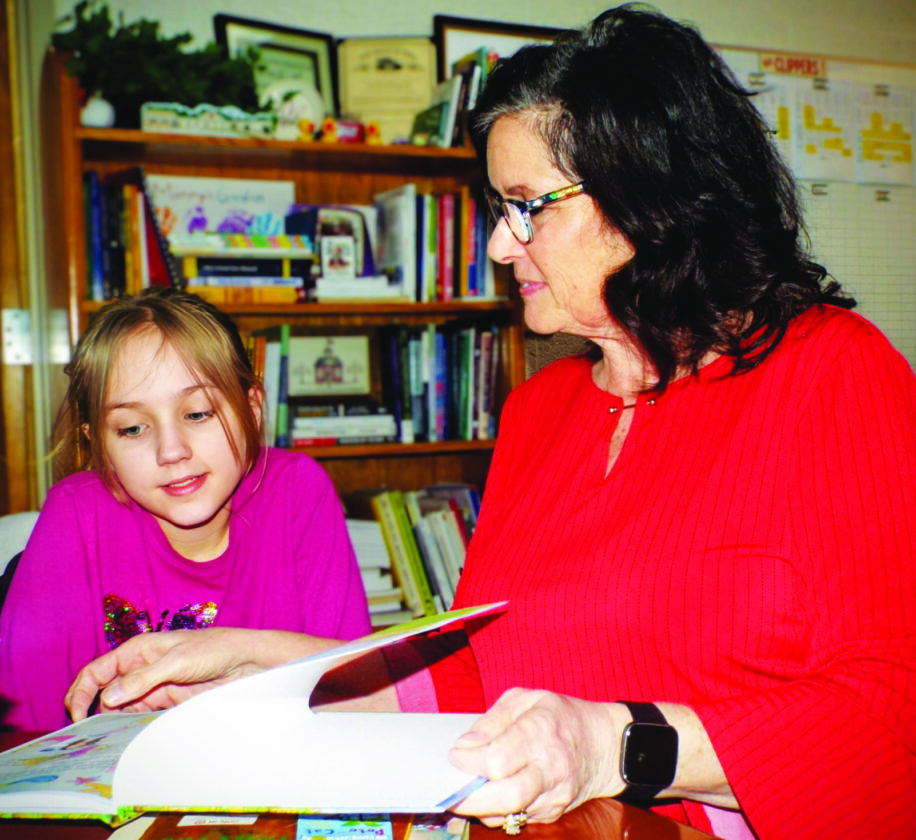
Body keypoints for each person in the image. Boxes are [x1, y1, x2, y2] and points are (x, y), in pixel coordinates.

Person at [65, 6, 916, 840]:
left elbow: (890, 712)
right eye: (499, 209)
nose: (504, 245)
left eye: (527, 205)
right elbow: (480, 678)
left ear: (647, 195)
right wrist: (256, 669)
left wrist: (611, 744)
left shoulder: (834, 372)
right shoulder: (539, 411)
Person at [0, 287, 370, 731]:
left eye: (197, 414)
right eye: (132, 428)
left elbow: (358, 690)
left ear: (251, 409)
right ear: (99, 443)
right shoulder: (75, 514)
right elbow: (26, 732)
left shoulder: (299, 491)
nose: (171, 451)